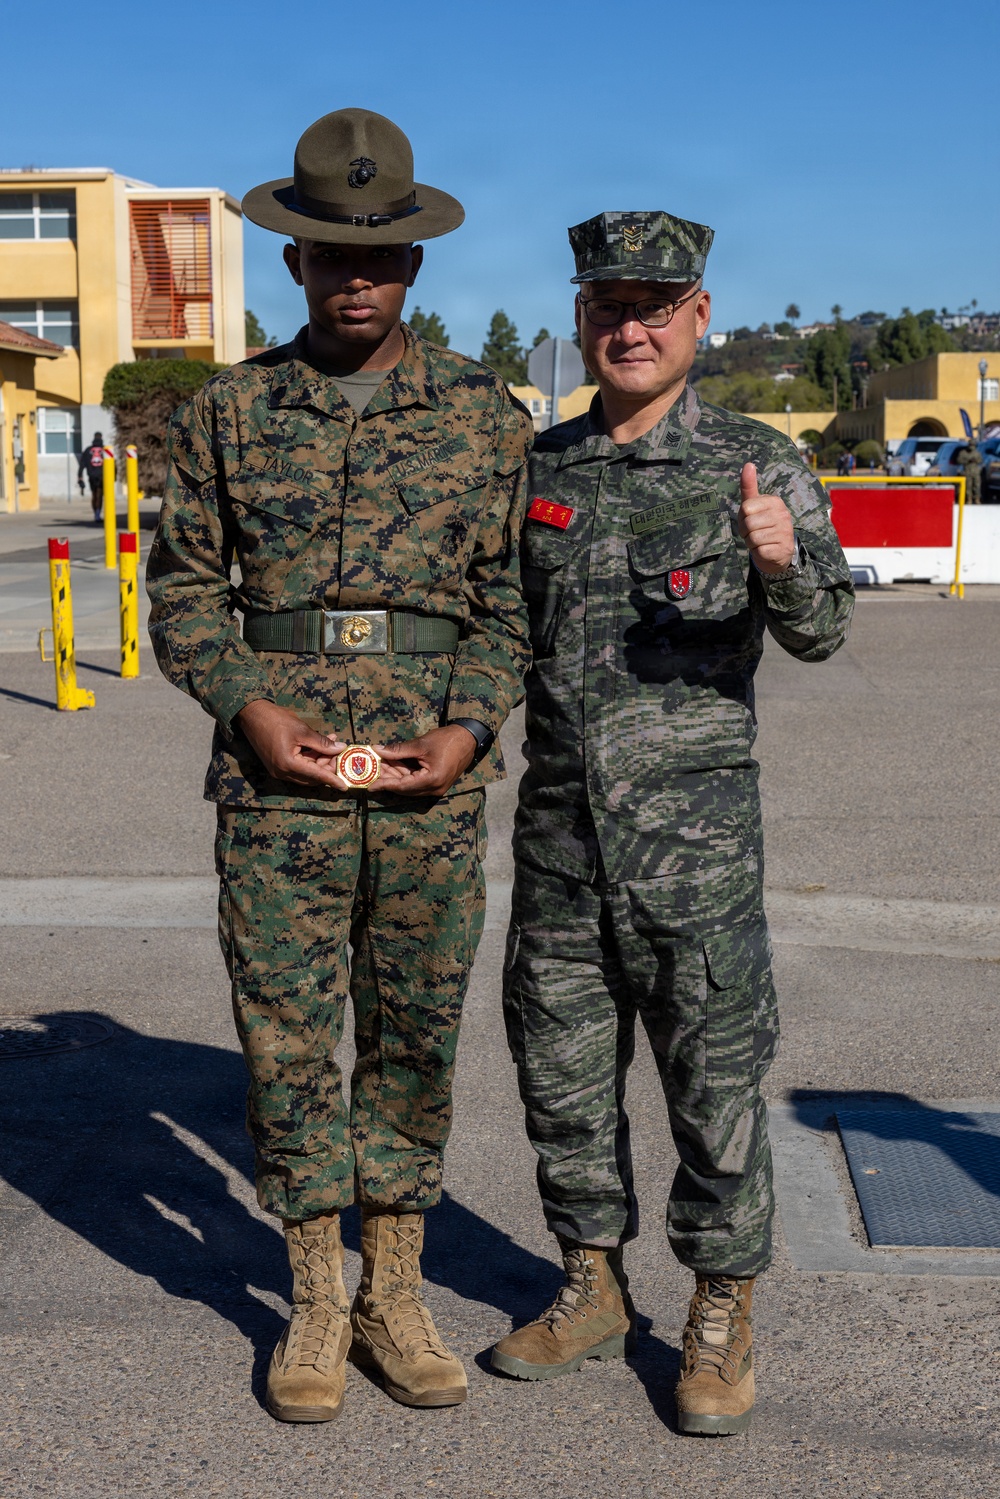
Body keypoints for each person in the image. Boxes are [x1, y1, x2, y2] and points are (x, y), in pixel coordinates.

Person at [146, 108, 533, 1424]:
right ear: (293, 263)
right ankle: (316, 1288)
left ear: (414, 263)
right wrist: (249, 704)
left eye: (377, 253)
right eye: (325, 251)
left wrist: (470, 727)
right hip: (277, 788)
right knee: (291, 1038)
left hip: (432, 782)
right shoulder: (228, 412)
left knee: (415, 1037)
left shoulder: (488, 422)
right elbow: (184, 594)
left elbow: (508, 608)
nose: (353, 274)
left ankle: (395, 1283)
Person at [490, 210, 854, 1435]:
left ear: (700, 316)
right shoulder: (541, 468)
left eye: (654, 305)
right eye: (606, 305)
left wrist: (782, 559)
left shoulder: (756, 463)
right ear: (581, 318)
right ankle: (590, 1284)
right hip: (557, 851)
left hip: (694, 861)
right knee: (563, 1082)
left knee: (716, 1091)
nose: (628, 326)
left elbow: (821, 632)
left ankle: (718, 1311)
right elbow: (499, 642)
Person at [78, 432, 105, 521]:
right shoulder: (105, 450)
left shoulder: (87, 450)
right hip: (102, 476)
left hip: (91, 476)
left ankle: (96, 514)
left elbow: (82, 464)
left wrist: (80, 476)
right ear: (101, 438)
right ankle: (98, 513)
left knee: (94, 494)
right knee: (99, 495)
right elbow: (113, 464)